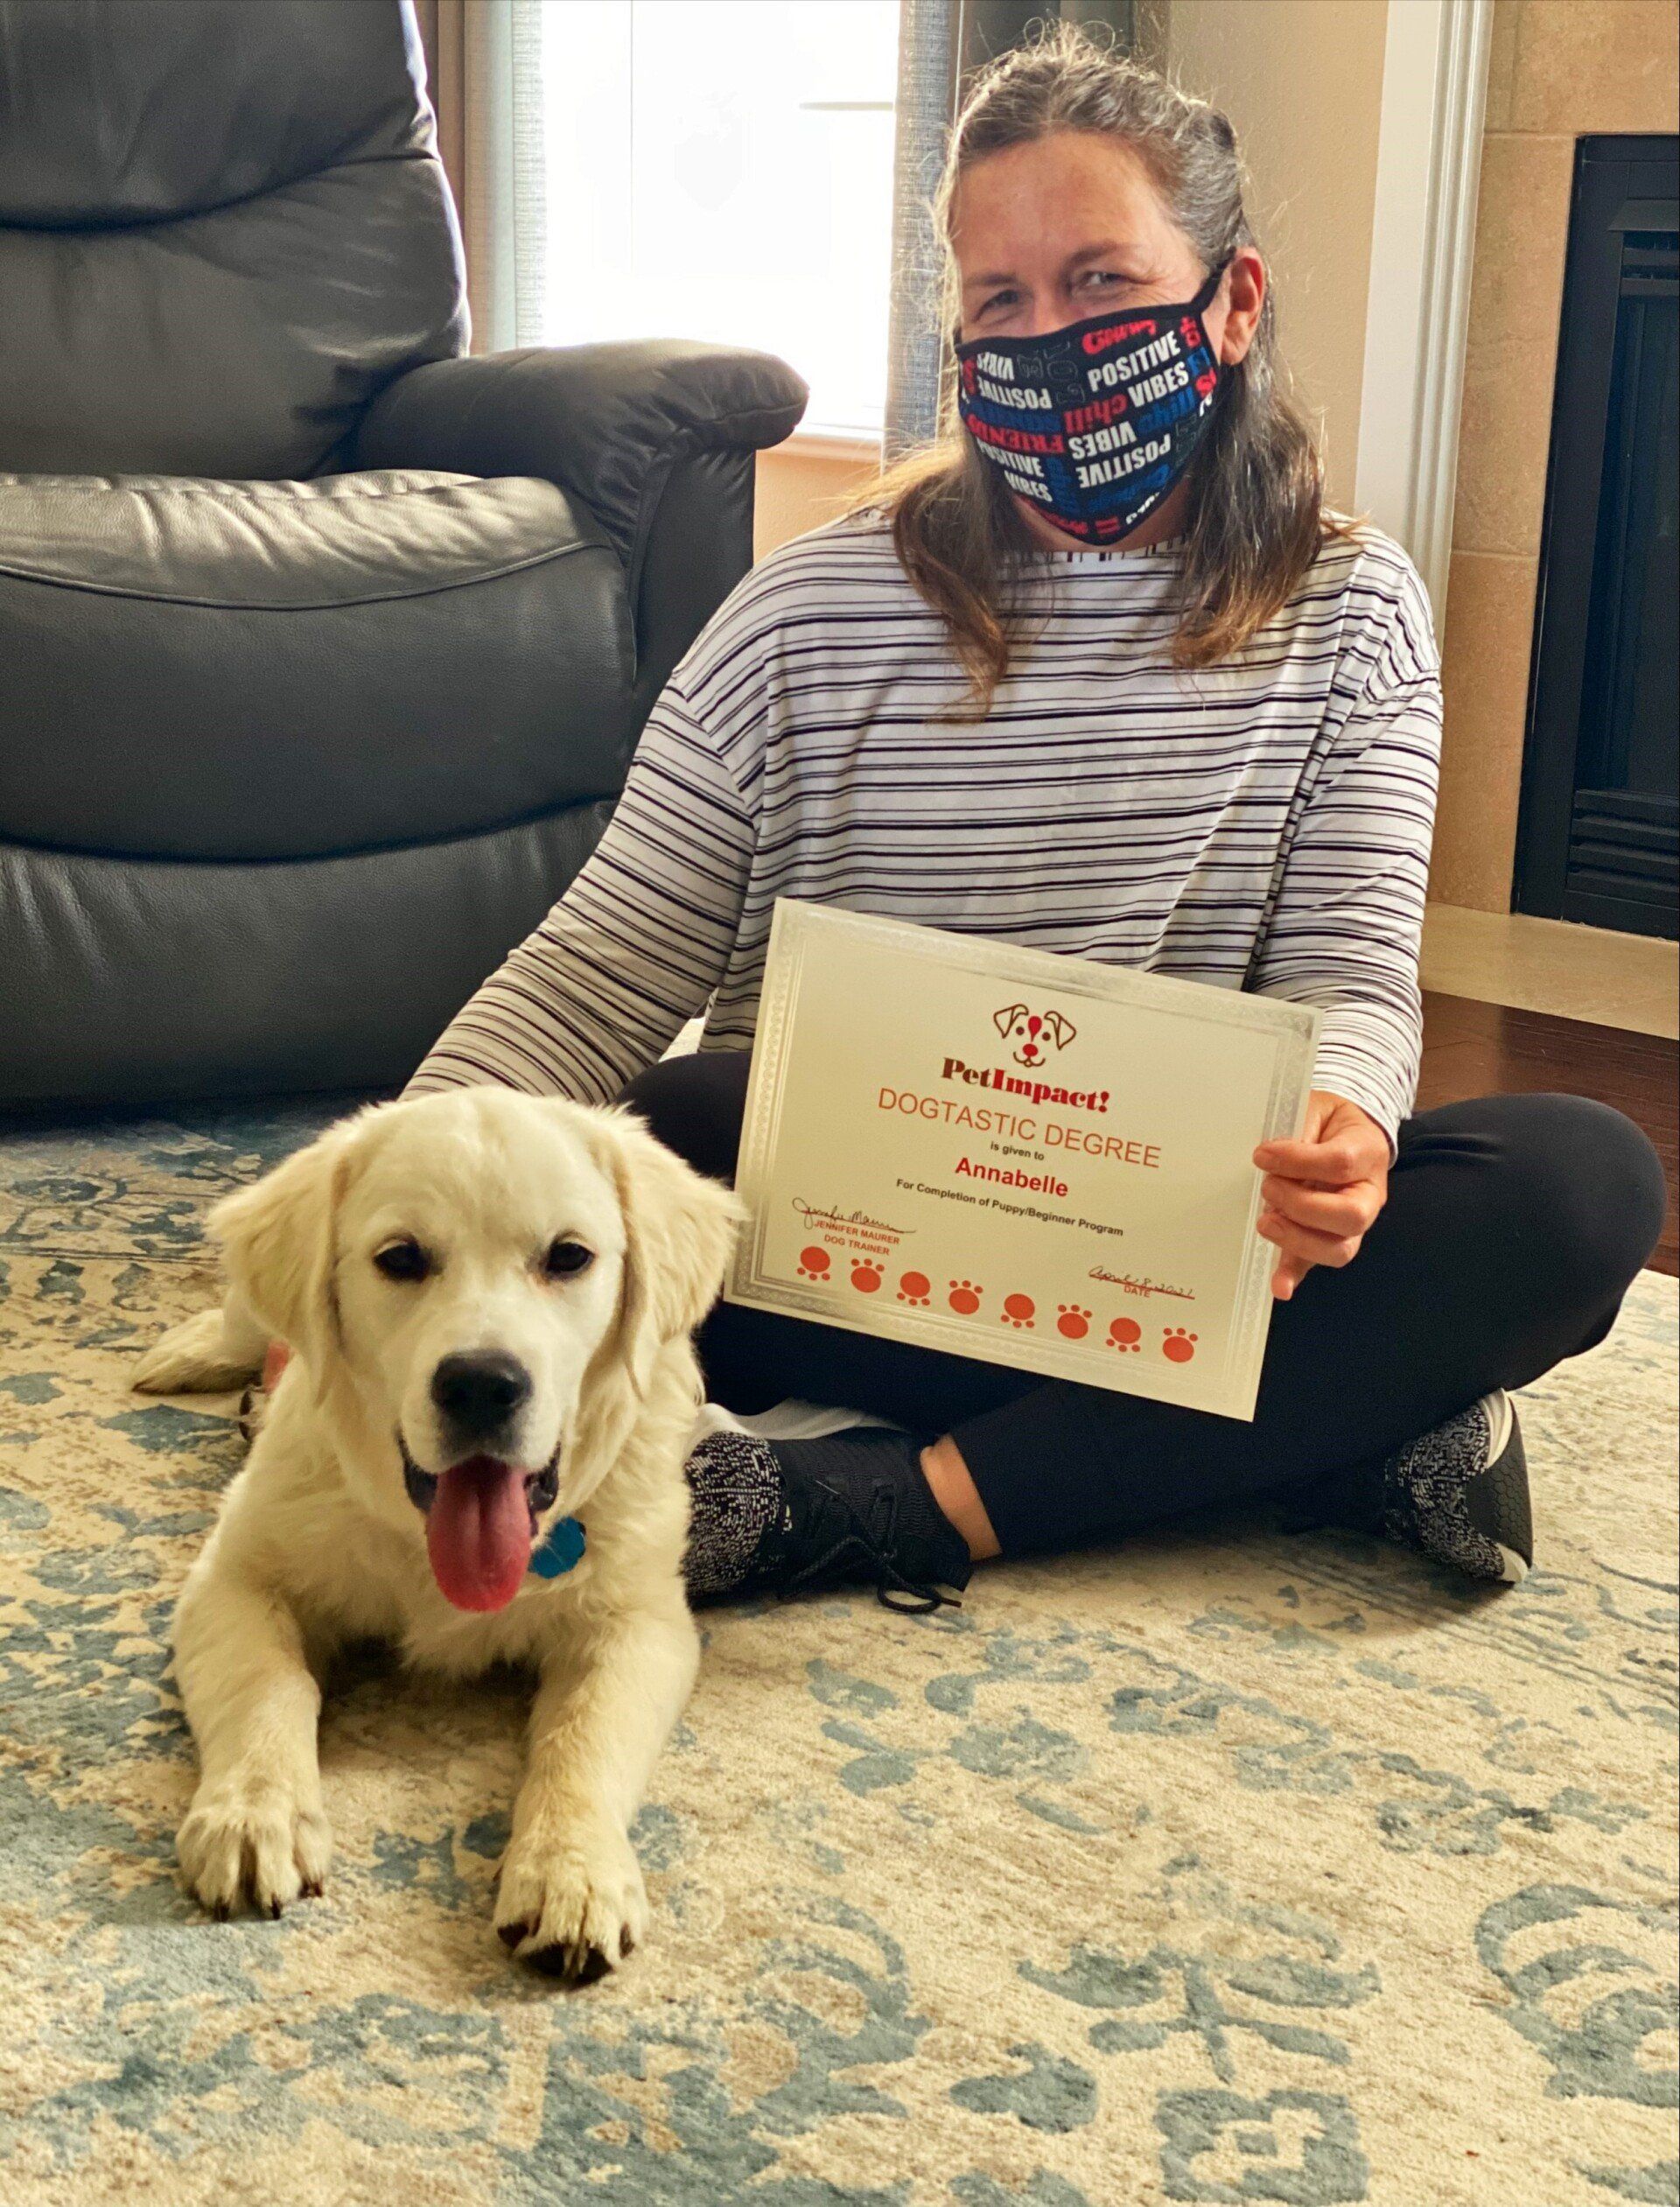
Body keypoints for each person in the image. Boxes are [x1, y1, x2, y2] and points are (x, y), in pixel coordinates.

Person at [255, 26, 1665, 1619]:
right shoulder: (803, 612)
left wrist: (1343, 1118)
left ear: (1235, 303)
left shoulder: (1354, 611)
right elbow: (593, 976)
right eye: (1001, 302)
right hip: (858, 1234)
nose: (1049, 342)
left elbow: (1353, 970)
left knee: (1575, 1187)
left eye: (1104, 287)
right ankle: (1341, 1429)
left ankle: (875, 1500)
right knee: (669, 1137)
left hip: (1183, 1242)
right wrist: (356, 1269)